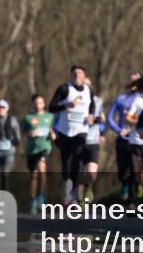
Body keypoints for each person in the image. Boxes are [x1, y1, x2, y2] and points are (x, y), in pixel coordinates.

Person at [49, 65, 97, 206]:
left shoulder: (89, 90)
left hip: (81, 131)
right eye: (74, 73)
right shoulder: (64, 89)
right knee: (66, 161)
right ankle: (67, 189)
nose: (77, 75)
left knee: (78, 160)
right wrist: (65, 106)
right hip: (65, 131)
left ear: (84, 76)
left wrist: (91, 116)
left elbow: (92, 105)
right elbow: (51, 107)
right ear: (71, 75)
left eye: (80, 73)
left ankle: (74, 194)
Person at [105, 72, 142, 201]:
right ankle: (125, 184)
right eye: (131, 81)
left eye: (136, 81)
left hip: (137, 138)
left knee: (134, 168)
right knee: (122, 169)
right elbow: (109, 117)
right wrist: (118, 129)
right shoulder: (121, 98)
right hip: (122, 138)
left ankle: (133, 196)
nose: (133, 84)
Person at [22, 94, 54, 214]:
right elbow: (22, 133)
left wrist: (52, 134)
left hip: (44, 147)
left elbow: (52, 130)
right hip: (32, 149)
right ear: (33, 104)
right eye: (36, 103)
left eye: (40, 102)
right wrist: (29, 133)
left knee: (42, 167)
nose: (38, 105)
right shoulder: (27, 118)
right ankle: (32, 200)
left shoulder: (49, 116)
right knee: (33, 175)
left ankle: (41, 196)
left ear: (44, 104)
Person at [78, 79, 105, 203]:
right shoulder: (75, 101)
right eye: (84, 86)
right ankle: (79, 200)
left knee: (91, 172)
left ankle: (89, 187)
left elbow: (102, 119)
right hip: (77, 139)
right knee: (79, 171)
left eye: (88, 85)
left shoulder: (98, 101)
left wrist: (101, 131)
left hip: (92, 139)